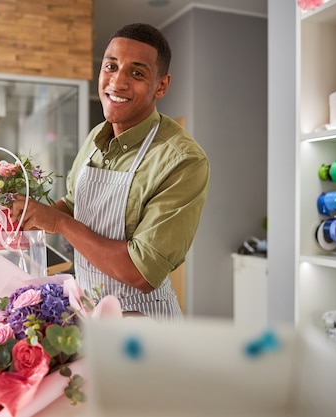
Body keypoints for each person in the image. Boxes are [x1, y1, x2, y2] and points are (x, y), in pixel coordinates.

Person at [11, 23, 210, 320]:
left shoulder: (182, 160)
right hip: (90, 313)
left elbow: (141, 272)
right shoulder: (95, 138)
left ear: (161, 85)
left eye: (137, 72)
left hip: (144, 324)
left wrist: (59, 224)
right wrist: (26, 218)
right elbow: (74, 205)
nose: (117, 83)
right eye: (111, 66)